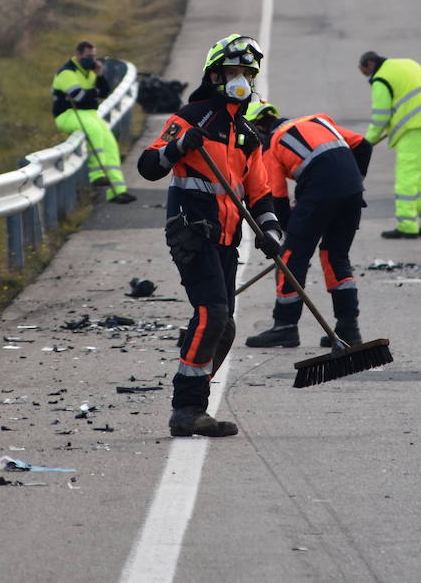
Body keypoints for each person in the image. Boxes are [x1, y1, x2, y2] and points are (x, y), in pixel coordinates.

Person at [137, 34, 283, 437]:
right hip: (191, 232)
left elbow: (260, 193)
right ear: (215, 75)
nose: (241, 80)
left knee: (225, 326)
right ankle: (187, 409)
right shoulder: (191, 116)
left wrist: (271, 231)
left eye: (247, 74)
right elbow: (149, 166)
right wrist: (180, 145)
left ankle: (192, 389)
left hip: (226, 238)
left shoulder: (247, 135)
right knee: (211, 313)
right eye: (234, 72)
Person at [242, 102, 373, 349]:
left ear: (259, 126)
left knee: (292, 256)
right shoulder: (318, 120)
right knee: (335, 255)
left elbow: (277, 201)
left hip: (320, 191)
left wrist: (295, 235)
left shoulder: (273, 143)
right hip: (352, 191)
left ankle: (285, 327)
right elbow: (363, 146)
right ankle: (349, 327)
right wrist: (352, 184)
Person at [356, 51, 421, 238]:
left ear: (370, 64)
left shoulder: (381, 79)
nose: (367, 77)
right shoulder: (408, 63)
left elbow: (381, 116)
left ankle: (407, 225)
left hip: (414, 128)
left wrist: (367, 142)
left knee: (406, 177)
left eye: (365, 72)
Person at [52, 40, 134, 204]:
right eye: (88, 56)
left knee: (110, 143)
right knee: (94, 131)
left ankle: (117, 190)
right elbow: (79, 97)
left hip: (89, 113)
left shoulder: (90, 71)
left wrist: (100, 75)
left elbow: (104, 92)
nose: (92, 59)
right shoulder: (67, 72)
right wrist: (93, 92)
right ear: (79, 55)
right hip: (68, 114)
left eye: (94, 56)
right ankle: (97, 175)